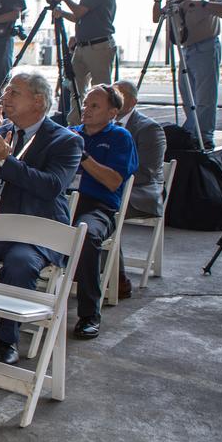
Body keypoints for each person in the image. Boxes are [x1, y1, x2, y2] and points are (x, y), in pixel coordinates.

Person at [0, 69, 84, 365]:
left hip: (35, 227)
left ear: (38, 101)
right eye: (6, 92)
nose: (5, 97)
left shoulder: (65, 141)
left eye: (14, 93)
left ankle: (9, 338)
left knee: (20, 265)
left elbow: (50, 186)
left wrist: (6, 162)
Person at [70, 85, 137, 338]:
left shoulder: (120, 138)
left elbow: (113, 181)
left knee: (85, 236)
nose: (86, 110)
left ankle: (89, 314)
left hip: (97, 206)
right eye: (85, 104)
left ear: (113, 112)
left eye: (94, 106)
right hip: (63, 201)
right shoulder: (71, 133)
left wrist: (83, 156)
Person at [157, 0, 222, 147]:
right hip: (186, 50)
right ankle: (192, 132)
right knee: (188, 96)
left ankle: (204, 137)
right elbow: (156, 17)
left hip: (205, 47)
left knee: (204, 96)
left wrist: (200, 3)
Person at [52, 0, 116, 125]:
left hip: (98, 46)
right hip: (84, 46)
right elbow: (78, 16)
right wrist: (62, 13)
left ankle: (102, 127)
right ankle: (76, 125)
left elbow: (79, 11)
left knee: (102, 92)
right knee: (75, 89)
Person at [112, 80, 166, 220]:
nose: (114, 100)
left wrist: (106, 178)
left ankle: (87, 238)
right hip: (110, 187)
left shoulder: (149, 129)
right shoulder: (102, 123)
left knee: (91, 203)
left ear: (133, 102)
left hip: (139, 194)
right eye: (112, 96)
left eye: (120, 96)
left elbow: (146, 172)